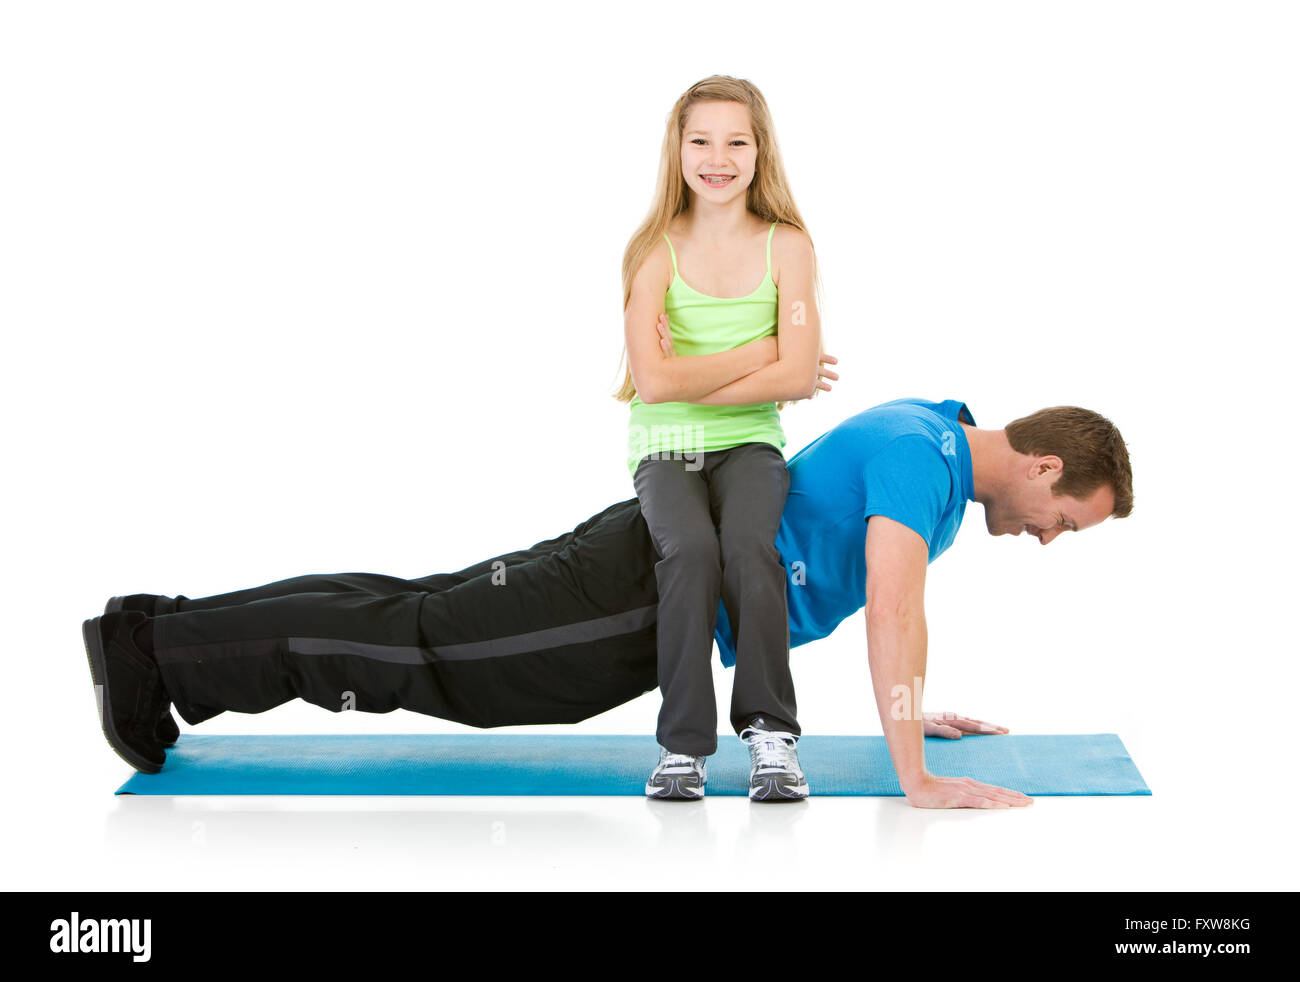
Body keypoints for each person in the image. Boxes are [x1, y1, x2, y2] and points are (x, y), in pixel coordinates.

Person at [81, 396, 1133, 809]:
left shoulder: (933, 452)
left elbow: (826, 586)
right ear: (1043, 465)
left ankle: (161, 629)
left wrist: (918, 705)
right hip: (633, 595)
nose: (1048, 539)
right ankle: (157, 651)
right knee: (417, 649)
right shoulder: (926, 458)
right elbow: (896, 612)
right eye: (1065, 520)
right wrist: (916, 774)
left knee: (411, 620)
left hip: (639, 587)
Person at [612, 76, 830, 800]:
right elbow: (654, 386)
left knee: (749, 550)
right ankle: (682, 748)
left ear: (760, 150)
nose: (718, 157)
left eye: (736, 141)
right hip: (665, 440)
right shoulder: (653, 250)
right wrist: (764, 352)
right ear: (677, 151)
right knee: (691, 552)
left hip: (750, 444)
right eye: (700, 140)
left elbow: (801, 379)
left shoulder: (787, 247)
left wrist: (699, 370)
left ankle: (771, 733)